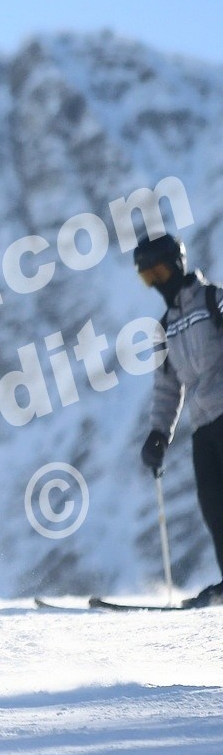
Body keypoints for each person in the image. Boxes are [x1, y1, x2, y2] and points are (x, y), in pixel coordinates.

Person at [136, 233, 223, 608]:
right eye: (147, 277)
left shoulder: (213, 300)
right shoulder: (164, 328)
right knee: (213, 504)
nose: (156, 283)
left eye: (158, 272)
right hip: (203, 426)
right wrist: (159, 433)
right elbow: (167, 387)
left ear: (177, 264)